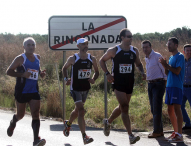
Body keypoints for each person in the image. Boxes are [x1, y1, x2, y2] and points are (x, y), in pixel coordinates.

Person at [99, 28, 146, 144]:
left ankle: (108, 122)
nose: (131, 38)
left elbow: (138, 64)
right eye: (129, 36)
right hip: (117, 82)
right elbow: (101, 60)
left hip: (129, 82)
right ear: (122, 38)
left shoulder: (134, 50)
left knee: (122, 107)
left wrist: (142, 72)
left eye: (132, 36)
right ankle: (130, 136)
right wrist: (107, 74)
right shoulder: (114, 50)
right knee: (125, 107)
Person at [6, 37, 46, 146]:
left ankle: (36, 140)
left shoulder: (37, 57)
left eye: (33, 45)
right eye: (28, 45)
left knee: (35, 113)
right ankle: (13, 122)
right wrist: (22, 74)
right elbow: (8, 72)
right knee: (21, 115)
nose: (31, 47)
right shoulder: (20, 59)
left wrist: (41, 73)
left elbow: (37, 70)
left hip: (34, 90)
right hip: (22, 91)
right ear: (24, 47)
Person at [62, 38, 99, 145]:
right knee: (81, 111)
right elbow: (64, 69)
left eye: (86, 44)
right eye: (83, 44)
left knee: (78, 111)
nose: (85, 46)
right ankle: (84, 137)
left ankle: (68, 124)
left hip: (85, 88)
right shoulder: (73, 58)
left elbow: (97, 72)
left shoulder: (92, 58)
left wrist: (93, 79)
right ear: (78, 46)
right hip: (75, 88)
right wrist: (66, 79)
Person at [159, 37, 185, 143]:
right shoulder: (171, 57)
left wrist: (167, 65)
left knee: (177, 110)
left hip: (176, 86)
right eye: (167, 44)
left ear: (176, 45)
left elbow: (177, 71)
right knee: (170, 110)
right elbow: (167, 73)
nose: (168, 46)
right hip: (169, 86)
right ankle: (176, 132)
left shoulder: (180, 56)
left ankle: (180, 135)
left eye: (170, 44)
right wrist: (164, 66)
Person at [142, 40, 167, 138]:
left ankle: (156, 131)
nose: (145, 49)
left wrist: (164, 84)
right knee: (153, 109)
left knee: (156, 108)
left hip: (158, 84)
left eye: (147, 47)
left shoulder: (157, 56)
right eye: (143, 47)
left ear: (151, 47)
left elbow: (164, 71)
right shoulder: (146, 58)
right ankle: (160, 131)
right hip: (150, 84)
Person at [181, 44, 191, 130]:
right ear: (184, 52)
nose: (189, 52)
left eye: (190, 50)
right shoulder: (182, 61)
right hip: (182, 87)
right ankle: (188, 123)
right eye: (187, 50)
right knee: (180, 106)